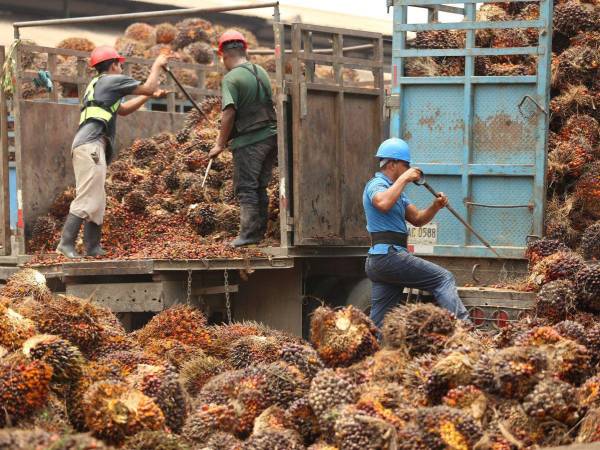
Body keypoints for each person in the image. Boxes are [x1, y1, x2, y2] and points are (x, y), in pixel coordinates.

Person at [56, 46, 169, 258]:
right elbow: (149, 85)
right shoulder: (110, 80)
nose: (121, 68)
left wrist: (148, 95)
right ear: (113, 65)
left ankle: (92, 247)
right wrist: (157, 65)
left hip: (90, 146)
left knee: (98, 199)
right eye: (120, 64)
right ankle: (65, 243)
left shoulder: (100, 85)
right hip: (90, 146)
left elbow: (124, 110)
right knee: (88, 196)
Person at [363, 137, 470, 328]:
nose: (408, 170)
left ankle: (372, 350)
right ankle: (465, 329)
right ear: (393, 163)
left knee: (379, 324)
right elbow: (382, 203)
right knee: (443, 278)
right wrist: (405, 178)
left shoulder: (398, 193)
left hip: (382, 262)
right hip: (389, 256)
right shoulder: (376, 185)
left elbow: (418, 219)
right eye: (406, 165)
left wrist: (435, 206)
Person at [209, 30, 277, 247]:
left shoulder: (231, 78)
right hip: (271, 137)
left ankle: (247, 234)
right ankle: (260, 233)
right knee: (260, 186)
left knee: (246, 187)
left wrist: (220, 143)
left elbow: (228, 112)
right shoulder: (261, 72)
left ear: (224, 55)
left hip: (250, 142)